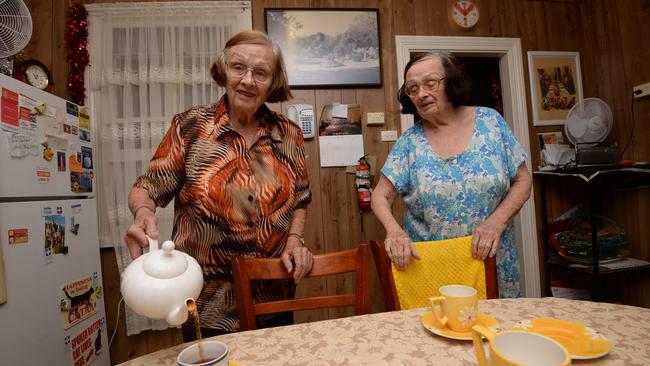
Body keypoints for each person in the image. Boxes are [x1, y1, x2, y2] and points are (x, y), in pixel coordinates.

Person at [123, 30, 314, 339]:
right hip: (206, 299)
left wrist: (294, 241)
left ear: (273, 81)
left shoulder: (288, 134)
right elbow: (148, 186)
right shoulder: (190, 127)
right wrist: (142, 212)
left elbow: (301, 200)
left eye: (261, 72)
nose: (248, 80)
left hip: (274, 294)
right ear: (224, 71)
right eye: (239, 67)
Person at [371, 52, 532, 297]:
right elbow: (380, 196)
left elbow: (523, 180)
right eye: (412, 89)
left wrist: (496, 222)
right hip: (433, 266)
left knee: (495, 330)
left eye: (430, 83)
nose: (421, 93)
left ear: (451, 82)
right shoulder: (409, 142)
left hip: (491, 260)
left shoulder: (491, 122)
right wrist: (394, 232)